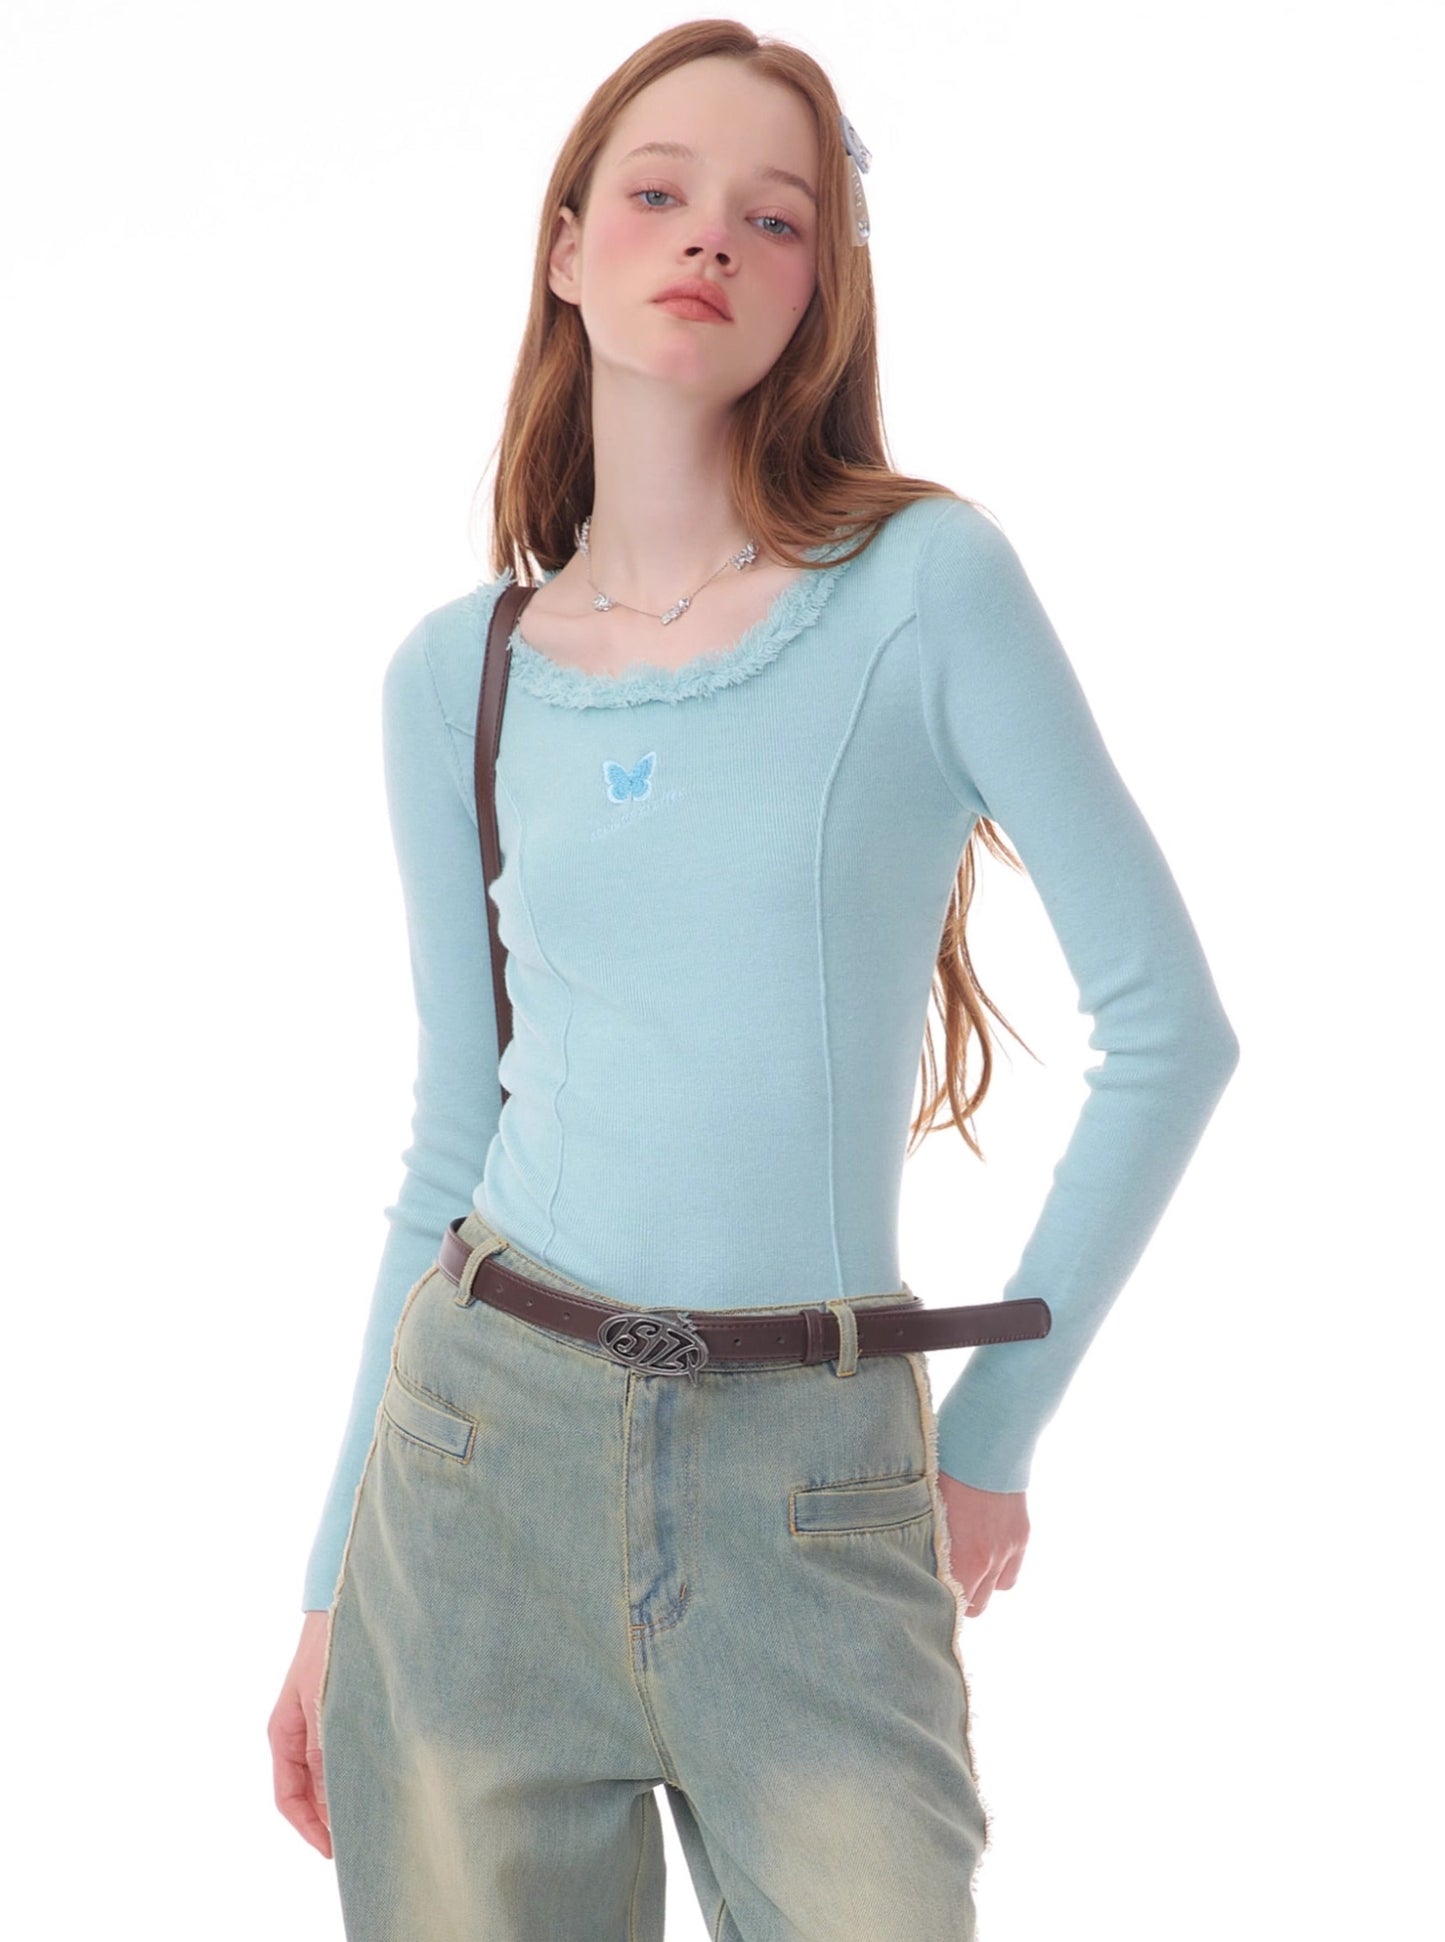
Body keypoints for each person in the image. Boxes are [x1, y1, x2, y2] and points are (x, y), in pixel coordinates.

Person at [268, 20, 1239, 1939]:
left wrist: (989, 1438)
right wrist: (325, 1585)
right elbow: (450, 1137)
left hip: (816, 1480)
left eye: (773, 218)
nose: (709, 236)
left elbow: (1170, 1032)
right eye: (658, 193)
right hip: (473, 1472)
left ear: (814, 292)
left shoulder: (923, 588)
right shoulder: (453, 675)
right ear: (567, 248)